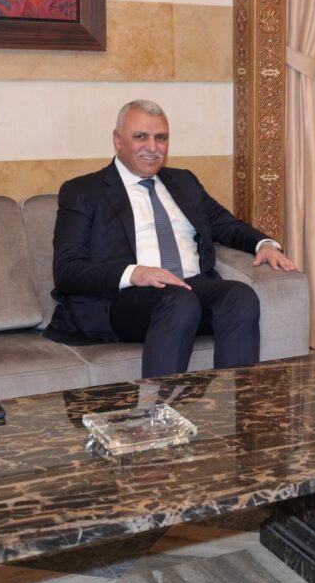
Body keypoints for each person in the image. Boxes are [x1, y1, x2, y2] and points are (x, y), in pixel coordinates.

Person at [46, 99, 297, 377]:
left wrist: (265, 244)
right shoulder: (83, 191)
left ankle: (239, 400)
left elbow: (226, 225)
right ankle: (159, 404)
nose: (152, 147)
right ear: (117, 140)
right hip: (125, 301)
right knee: (179, 302)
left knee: (240, 296)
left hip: (190, 288)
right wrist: (135, 273)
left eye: (161, 138)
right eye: (140, 137)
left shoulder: (184, 182)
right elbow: (67, 270)